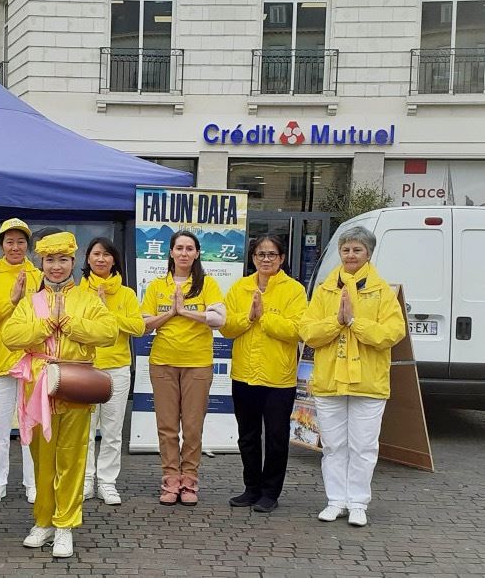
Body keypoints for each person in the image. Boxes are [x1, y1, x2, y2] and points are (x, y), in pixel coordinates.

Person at [2, 231, 117, 558]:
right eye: (50, 260)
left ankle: (65, 523)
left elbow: (108, 332)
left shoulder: (88, 298)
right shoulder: (30, 301)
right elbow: (11, 335)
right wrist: (43, 327)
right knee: (42, 458)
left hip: (76, 383)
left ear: (72, 262)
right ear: (41, 262)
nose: (56, 267)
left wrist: (71, 324)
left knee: (72, 457)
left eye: (63, 260)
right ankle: (43, 521)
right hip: (38, 386)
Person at [300, 226, 405, 528]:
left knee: (363, 447)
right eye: (346, 249)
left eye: (357, 250)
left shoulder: (382, 291)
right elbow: (308, 331)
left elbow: (392, 333)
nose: (350, 255)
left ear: (368, 253)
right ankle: (335, 501)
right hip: (329, 381)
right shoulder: (325, 290)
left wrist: (355, 323)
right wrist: (337, 323)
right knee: (333, 445)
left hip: (368, 383)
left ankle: (358, 502)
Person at [220, 234, 307, 513]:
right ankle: (251, 488)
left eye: (271, 254)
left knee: (276, 436)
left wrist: (264, 317)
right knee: (247, 435)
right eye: (260, 254)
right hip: (244, 374)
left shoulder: (294, 290)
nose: (265, 259)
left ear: (281, 259)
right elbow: (226, 327)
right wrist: (247, 318)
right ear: (253, 258)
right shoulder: (240, 288)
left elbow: (297, 329)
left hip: (278, 377)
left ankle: (270, 492)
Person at [142, 230, 225, 507]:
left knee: (192, 426)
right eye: (179, 248)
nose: (184, 253)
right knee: (166, 427)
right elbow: (143, 324)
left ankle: (189, 480)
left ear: (197, 253)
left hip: (197, 363)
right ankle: (170, 479)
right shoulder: (157, 286)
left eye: (190, 248)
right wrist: (170, 313)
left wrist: (186, 312)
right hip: (163, 362)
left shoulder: (207, 284)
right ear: (170, 252)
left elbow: (218, 319)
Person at [0, 217, 42, 504]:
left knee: (31, 427)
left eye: (20, 241)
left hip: (32, 362)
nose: (15, 247)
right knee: (0, 428)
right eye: (9, 241)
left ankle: (33, 482)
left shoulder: (40, 276)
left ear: (28, 246)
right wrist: (12, 301)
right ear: (1, 245)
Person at [79, 237, 145, 506]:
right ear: (88, 259)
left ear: (114, 260)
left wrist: (107, 313)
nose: (101, 259)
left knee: (112, 430)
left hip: (116, 368)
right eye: (96, 254)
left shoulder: (127, 294)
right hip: (85, 368)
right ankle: (84, 480)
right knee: (84, 430)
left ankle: (107, 482)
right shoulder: (77, 292)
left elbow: (139, 327)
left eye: (107, 254)